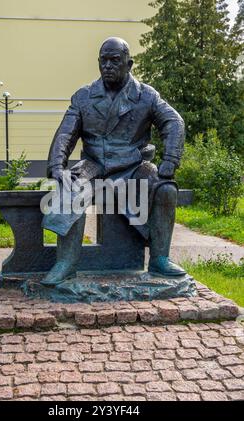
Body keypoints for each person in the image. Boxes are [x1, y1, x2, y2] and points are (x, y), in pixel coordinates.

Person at [41, 37, 186, 286]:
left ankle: (160, 258)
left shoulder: (146, 96)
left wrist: (170, 160)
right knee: (72, 185)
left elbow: (174, 122)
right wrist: (56, 166)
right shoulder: (83, 97)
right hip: (93, 163)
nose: (107, 66)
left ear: (128, 64)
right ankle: (65, 263)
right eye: (103, 61)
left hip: (134, 165)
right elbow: (66, 133)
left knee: (165, 189)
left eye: (114, 61)